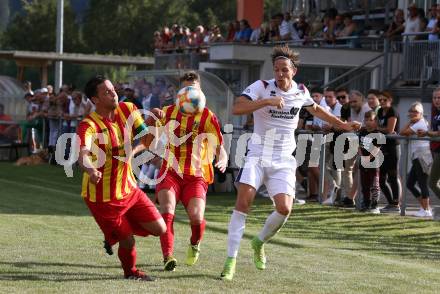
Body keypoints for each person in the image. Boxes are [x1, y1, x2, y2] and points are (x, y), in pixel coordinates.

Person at [220, 45, 361, 281]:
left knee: (285, 209)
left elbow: (316, 110)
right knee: (243, 203)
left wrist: (343, 125)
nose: (280, 74)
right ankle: (230, 261)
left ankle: (259, 242)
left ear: (293, 71)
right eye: (276, 69)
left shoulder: (301, 91)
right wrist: (266, 102)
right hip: (257, 154)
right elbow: (237, 107)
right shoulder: (261, 87)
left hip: (284, 159)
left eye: (284, 69)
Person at [77, 76, 166, 281]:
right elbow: (82, 154)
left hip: (129, 189)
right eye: (106, 92)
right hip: (104, 199)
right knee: (129, 242)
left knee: (159, 228)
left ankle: (113, 235)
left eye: (113, 89)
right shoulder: (88, 125)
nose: (113, 93)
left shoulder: (128, 109)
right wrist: (90, 170)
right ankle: (131, 272)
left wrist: (153, 122)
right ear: (95, 99)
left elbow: (147, 140)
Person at [150, 71, 227, 271]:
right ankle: (167, 256)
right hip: (171, 171)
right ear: (180, 93)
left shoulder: (208, 116)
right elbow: (150, 138)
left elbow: (219, 145)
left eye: (194, 89)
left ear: (200, 91)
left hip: (196, 176)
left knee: (196, 217)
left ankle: (194, 243)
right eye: (186, 89)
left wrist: (223, 158)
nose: (190, 94)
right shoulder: (168, 112)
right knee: (167, 210)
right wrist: (152, 120)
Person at [400, 102, 433, 217]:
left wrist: (409, 122)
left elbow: (402, 132)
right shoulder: (417, 123)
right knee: (410, 183)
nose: (413, 113)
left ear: (421, 113)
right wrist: (411, 121)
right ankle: (425, 208)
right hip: (416, 156)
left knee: (422, 183)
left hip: (422, 155)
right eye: (411, 111)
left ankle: (426, 210)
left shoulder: (420, 123)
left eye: (416, 112)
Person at [377, 91, 402, 212]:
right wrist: (380, 129)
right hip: (382, 147)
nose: (381, 102)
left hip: (392, 147)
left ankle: (396, 203)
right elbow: (382, 128)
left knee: (393, 176)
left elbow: (390, 129)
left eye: (384, 100)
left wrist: (378, 129)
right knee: (381, 179)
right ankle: (391, 202)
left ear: (390, 100)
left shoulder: (393, 111)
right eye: (380, 100)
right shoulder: (380, 111)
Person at [417, 87, 440, 217]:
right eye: (435, 98)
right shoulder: (436, 112)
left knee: (432, 182)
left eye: (439, 97)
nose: (437, 100)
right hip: (436, 150)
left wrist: (426, 133)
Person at [358, 110, 381, 214]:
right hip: (363, 161)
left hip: (374, 162)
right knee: (364, 184)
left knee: (374, 184)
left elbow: (376, 149)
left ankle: (375, 204)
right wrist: (362, 156)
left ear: (375, 121)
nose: (368, 122)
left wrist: (369, 158)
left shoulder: (377, 134)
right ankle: (366, 203)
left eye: (371, 120)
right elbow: (359, 146)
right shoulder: (362, 132)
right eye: (366, 119)